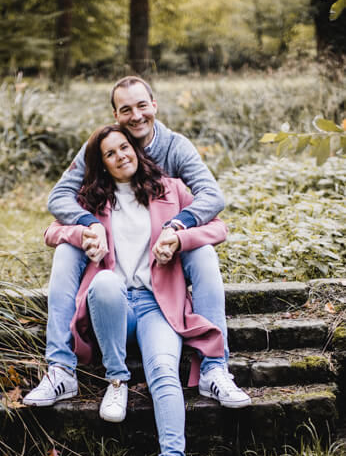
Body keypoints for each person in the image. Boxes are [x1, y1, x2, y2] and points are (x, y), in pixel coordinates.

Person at [24, 75, 250, 409]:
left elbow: (213, 198)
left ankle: (214, 369)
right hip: (111, 277)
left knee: (202, 253)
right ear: (116, 115)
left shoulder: (175, 148)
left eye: (142, 105)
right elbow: (58, 198)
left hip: (165, 268)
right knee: (65, 251)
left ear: (154, 105)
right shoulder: (103, 147)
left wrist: (178, 227)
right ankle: (61, 368)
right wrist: (88, 224)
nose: (136, 115)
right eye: (126, 109)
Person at [38, 124, 228, 456]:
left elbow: (218, 226)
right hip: (113, 309)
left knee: (163, 374)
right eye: (110, 153)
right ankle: (117, 379)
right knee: (105, 283)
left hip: (158, 305)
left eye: (124, 147)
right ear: (102, 164)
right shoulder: (92, 200)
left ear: (136, 150)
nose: (121, 155)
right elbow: (51, 231)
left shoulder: (170, 189)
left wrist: (178, 236)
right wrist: (85, 233)